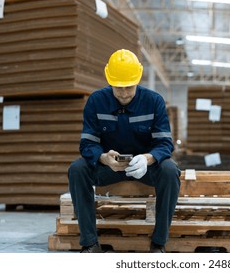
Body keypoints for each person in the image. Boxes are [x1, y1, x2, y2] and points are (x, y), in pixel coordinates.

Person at [68, 49, 181, 253]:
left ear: (137, 79)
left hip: (146, 168)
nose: (124, 93)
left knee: (170, 170)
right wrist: (103, 158)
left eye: (129, 87)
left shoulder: (153, 101)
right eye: (118, 88)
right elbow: (87, 144)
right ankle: (90, 243)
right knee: (77, 169)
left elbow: (165, 144)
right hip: (109, 168)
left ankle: (158, 242)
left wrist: (148, 159)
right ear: (110, 81)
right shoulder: (96, 101)